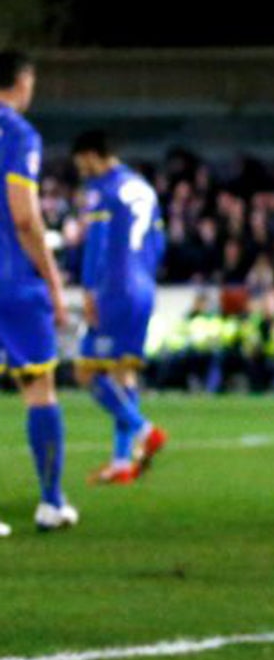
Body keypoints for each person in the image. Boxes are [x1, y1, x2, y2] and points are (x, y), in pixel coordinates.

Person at [0, 51, 75, 535]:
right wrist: (53, 280)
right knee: (39, 389)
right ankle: (50, 502)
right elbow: (25, 217)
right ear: (22, 82)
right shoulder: (19, 134)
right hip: (12, 281)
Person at [71, 131, 169, 484]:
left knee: (85, 370)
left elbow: (97, 245)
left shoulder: (102, 189)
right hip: (144, 286)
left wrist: (88, 290)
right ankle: (121, 462)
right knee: (122, 373)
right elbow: (160, 243)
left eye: (81, 162)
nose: (81, 170)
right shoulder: (144, 187)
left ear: (92, 156)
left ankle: (144, 431)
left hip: (114, 286)